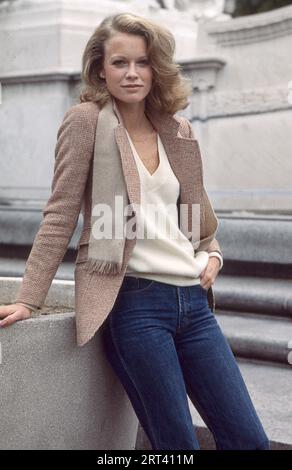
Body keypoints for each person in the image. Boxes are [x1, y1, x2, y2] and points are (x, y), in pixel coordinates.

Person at [0, 12, 269, 451]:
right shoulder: (85, 121)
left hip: (194, 306)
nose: (131, 73)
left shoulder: (176, 129)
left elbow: (194, 217)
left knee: (249, 440)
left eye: (142, 62)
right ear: (100, 68)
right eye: (120, 62)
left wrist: (213, 255)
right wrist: (30, 296)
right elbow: (61, 212)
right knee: (176, 447)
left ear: (156, 67)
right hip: (135, 305)